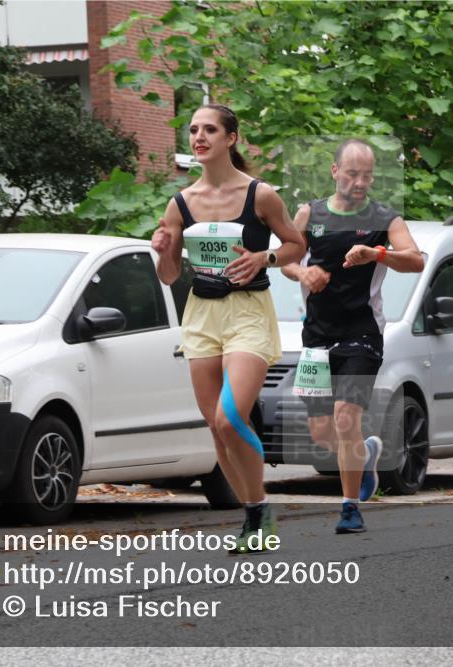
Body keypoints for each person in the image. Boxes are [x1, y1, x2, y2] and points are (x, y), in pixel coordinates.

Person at [151, 104, 305, 553]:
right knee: (215, 427)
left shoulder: (261, 195)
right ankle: (255, 514)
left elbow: (297, 244)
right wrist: (162, 249)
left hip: (249, 311)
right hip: (202, 313)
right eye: (194, 130)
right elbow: (168, 274)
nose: (199, 137)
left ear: (231, 138)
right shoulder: (180, 203)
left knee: (230, 416)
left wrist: (265, 258)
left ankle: (259, 511)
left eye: (210, 130)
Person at [282, 139, 424, 533]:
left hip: (362, 333)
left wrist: (377, 254)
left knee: (346, 419)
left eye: (367, 175)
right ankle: (367, 454)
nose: (360, 182)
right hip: (316, 336)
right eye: (352, 173)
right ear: (335, 171)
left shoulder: (384, 218)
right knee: (321, 430)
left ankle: (350, 509)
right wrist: (302, 273)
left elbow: (415, 260)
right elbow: (286, 259)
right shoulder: (310, 213)